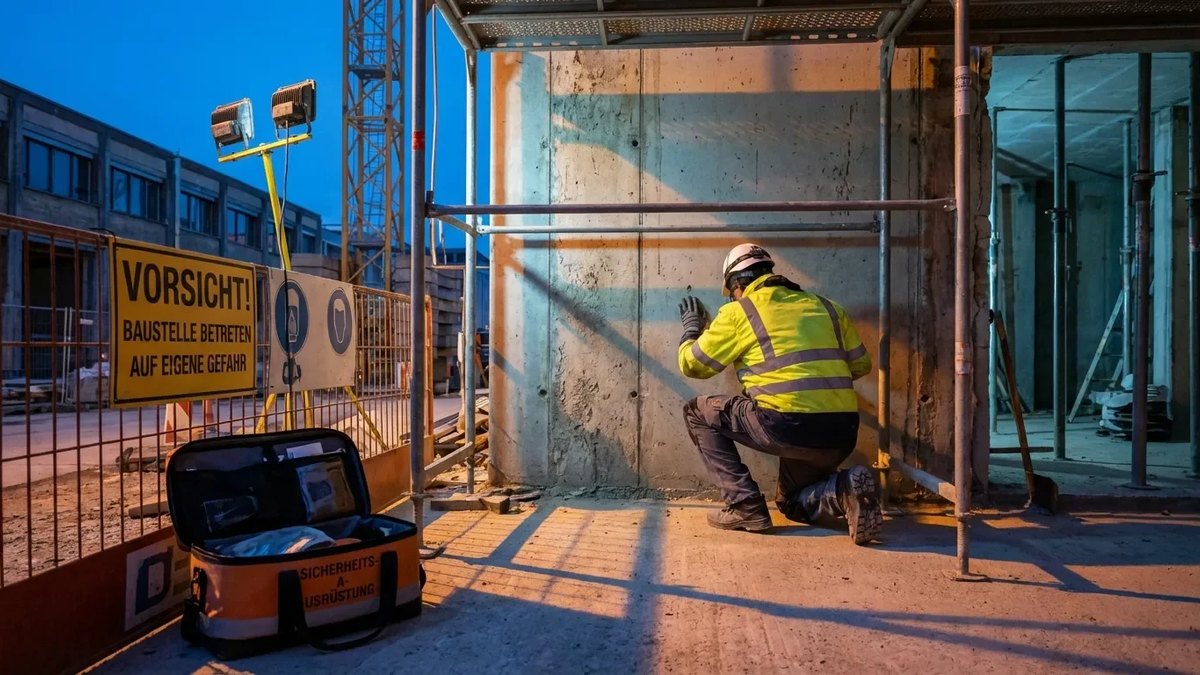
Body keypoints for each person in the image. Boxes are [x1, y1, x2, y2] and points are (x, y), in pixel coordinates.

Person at [677, 243, 881, 544]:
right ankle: (842, 489)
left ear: (736, 284)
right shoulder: (829, 307)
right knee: (791, 502)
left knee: (696, 412)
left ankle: (744, 506)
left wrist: (691, 332)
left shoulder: (739, 312)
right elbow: (861, 365)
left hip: (785, 425)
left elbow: (693, 365)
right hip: (842, 432)